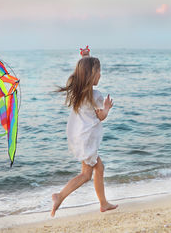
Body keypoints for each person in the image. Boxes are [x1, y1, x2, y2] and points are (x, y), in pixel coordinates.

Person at [51, 50, 117, 217]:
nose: (101, 75)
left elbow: (82, 71)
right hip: (87, 139)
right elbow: (101, 117)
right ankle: (60, 196)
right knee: (86, 174)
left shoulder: (79, 92)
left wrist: (85, 58)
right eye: (99, 71)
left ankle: (103, 203)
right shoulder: (96, 96)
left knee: (98, 168)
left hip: (79, 136)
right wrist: (107, 108)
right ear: (92, 74)